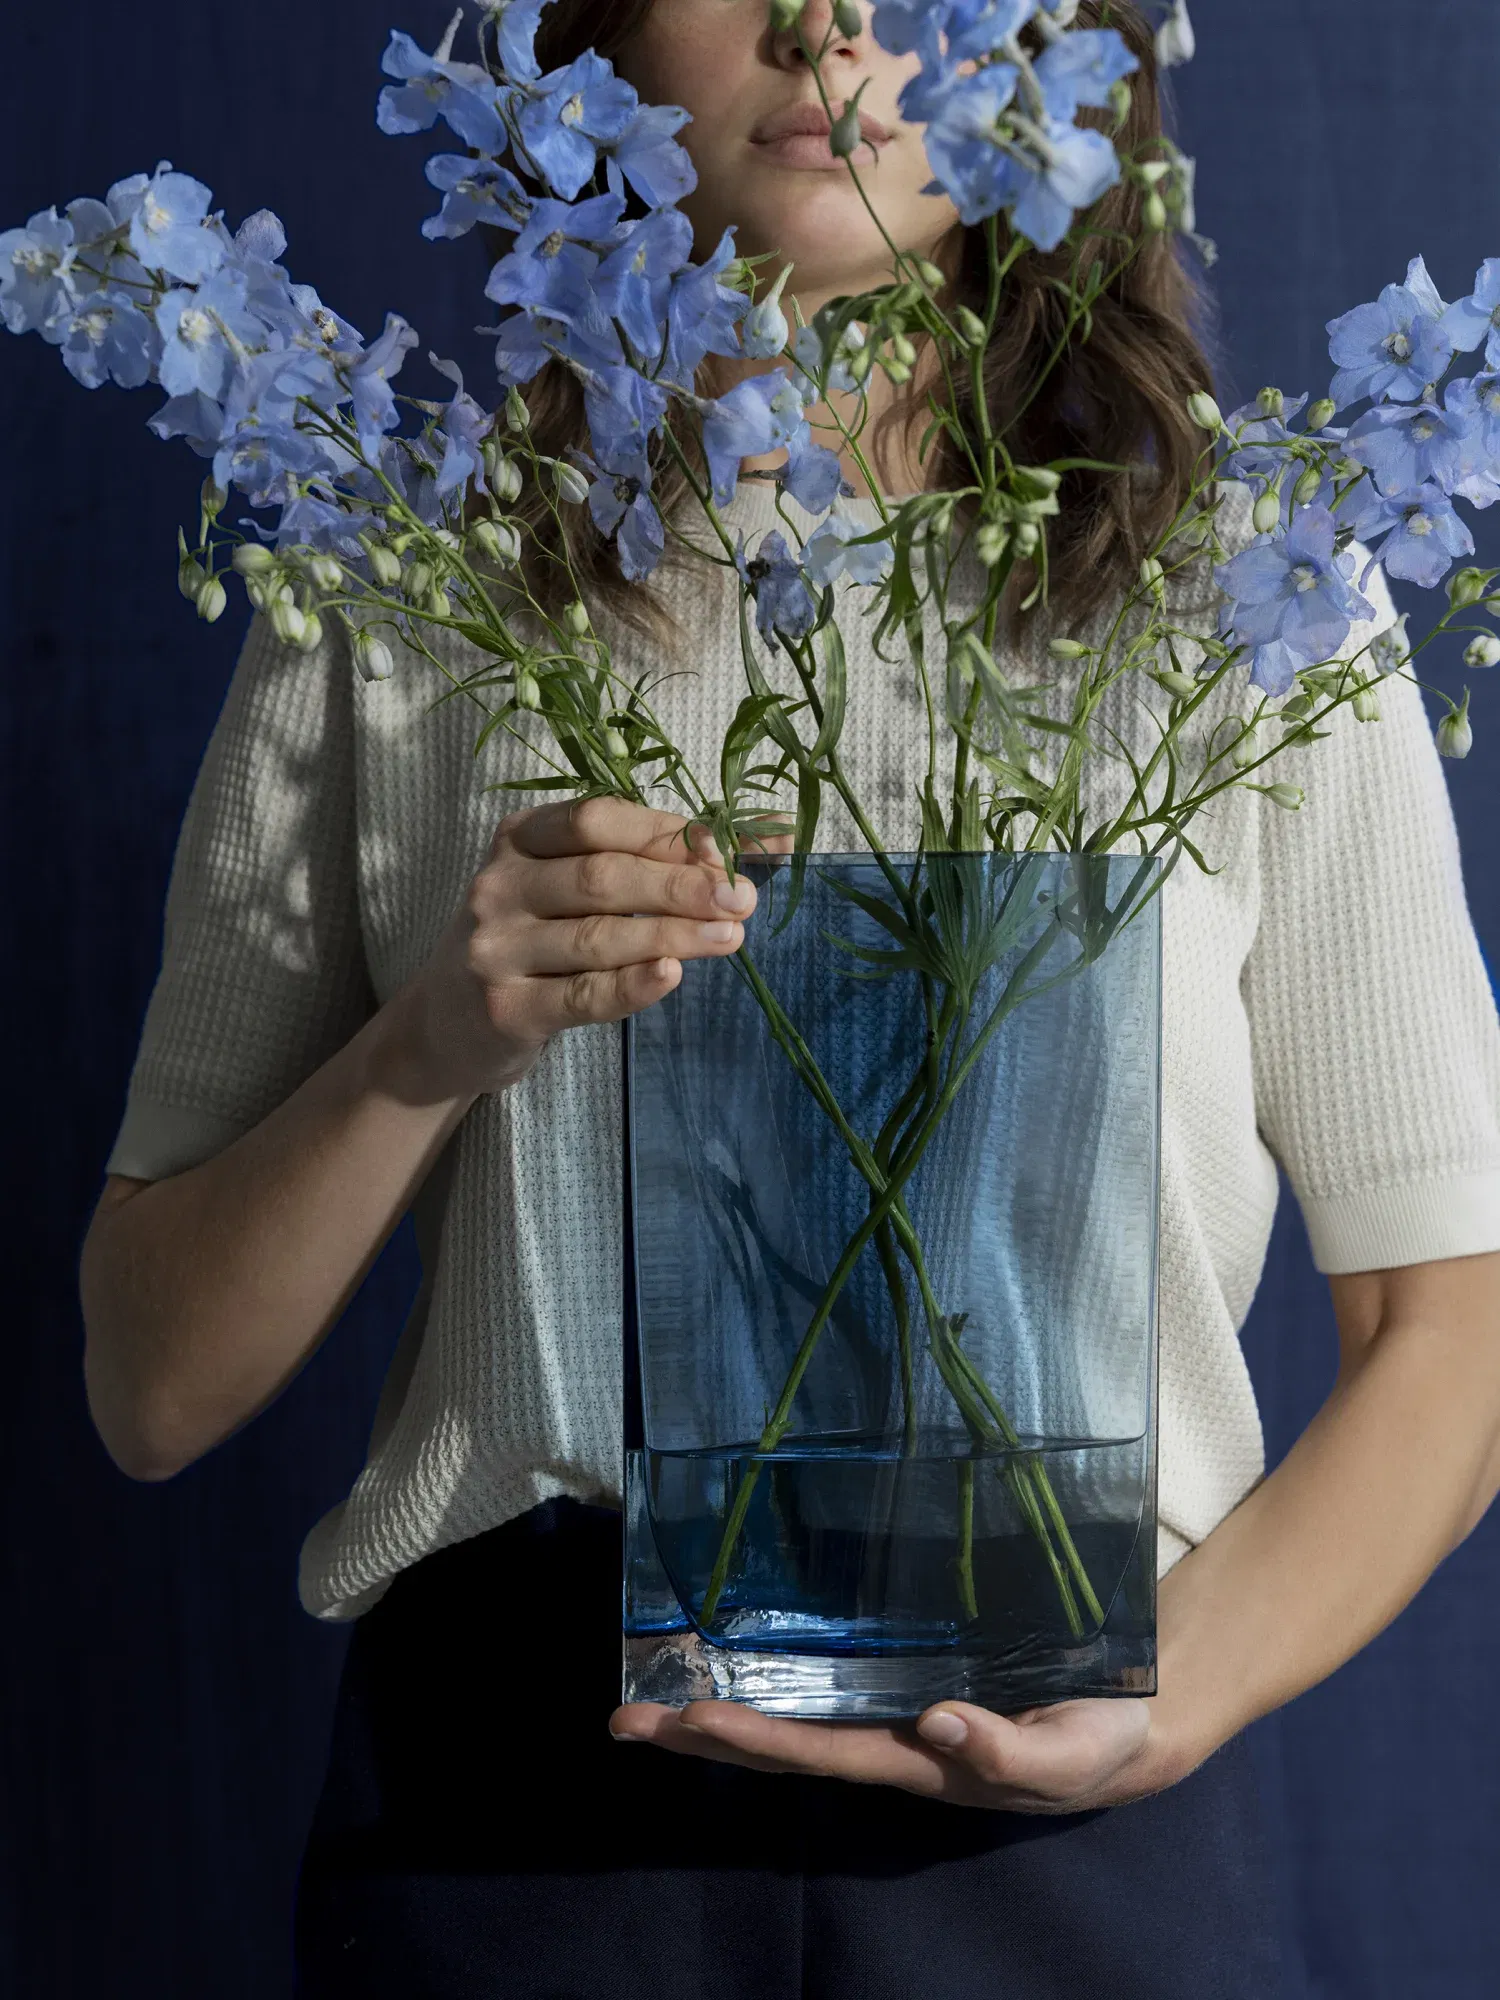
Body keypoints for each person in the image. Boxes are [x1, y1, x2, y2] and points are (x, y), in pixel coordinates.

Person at [77, 3, 1500, 1996]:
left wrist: (1170, 1700)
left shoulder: (1250, 593)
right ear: (591, 40)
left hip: (1080, 1815)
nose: (831, 26)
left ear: (1063, 47)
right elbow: (151, 1387)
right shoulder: (410, 583)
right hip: (519, 1822)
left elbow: (1454, 1324)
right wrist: (430, 1049)